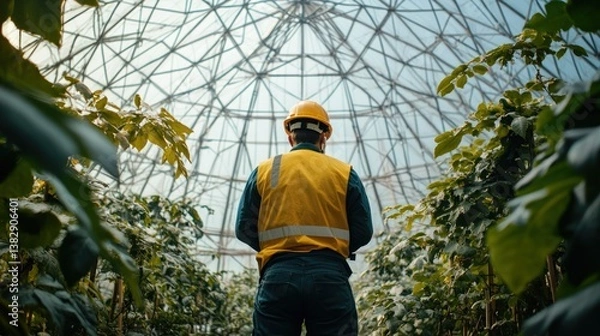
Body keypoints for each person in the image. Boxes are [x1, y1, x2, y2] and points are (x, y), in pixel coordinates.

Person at [235, 100, 373, 336]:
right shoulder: (343, 172)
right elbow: (363, 230)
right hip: (329, 277)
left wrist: (276, 247)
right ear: (323, 138)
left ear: (291, 137)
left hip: (278, 276)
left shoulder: (265, 170)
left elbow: (243, 227)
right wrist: (334, 248)